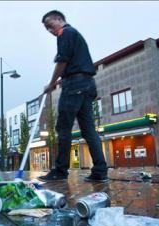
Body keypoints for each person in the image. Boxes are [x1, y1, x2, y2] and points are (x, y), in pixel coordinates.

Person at [38, 10, 108, 183]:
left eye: (50, 25)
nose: (50, 30)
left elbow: (63, 61)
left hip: (74, 85)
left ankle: (61, 171)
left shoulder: (65, 33)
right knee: (88, 129)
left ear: (59, 19)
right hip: (88, 85)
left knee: (63, 128)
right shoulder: (74, 34)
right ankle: (100, 170)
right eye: (47, 29)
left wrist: (52, 83)